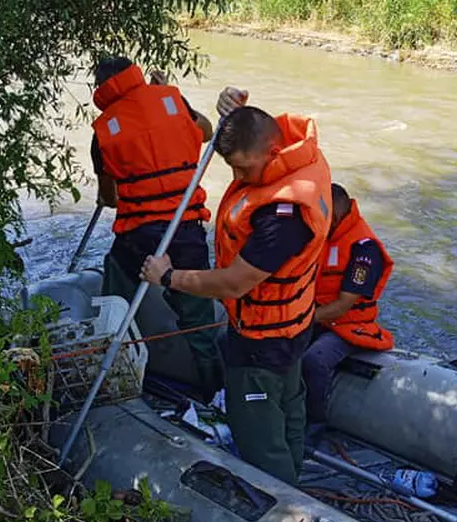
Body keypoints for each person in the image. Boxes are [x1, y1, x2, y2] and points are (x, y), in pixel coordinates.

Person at [141, 87, 332, 485]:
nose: (239, 179)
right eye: (234, 169)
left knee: (260, 436)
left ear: (274, 152)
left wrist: (168, 276)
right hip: (294, 329)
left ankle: (282, 502)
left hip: (262, 341)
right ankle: (294, 477)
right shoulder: (301, 159)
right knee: (289, 410)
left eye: (245, 170)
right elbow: (255, 130)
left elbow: (234, 283)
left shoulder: (283, 217)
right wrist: (233, 111)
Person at [89, 56, 221, 401]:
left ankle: (112, 367)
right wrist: (169, 97)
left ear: (100, 88)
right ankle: (214, 390)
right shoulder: (172, 99)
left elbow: (111, 199)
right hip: (187, 225)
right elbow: (207, 132)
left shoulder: (103, 130)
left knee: (115, 287)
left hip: (139, 234)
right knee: (197, 314)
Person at [302, 183, 394, 428]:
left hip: (348, 326)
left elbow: (343, 306)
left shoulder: (364, 250)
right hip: (317, 318)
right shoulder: (322, 236)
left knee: (314, 360)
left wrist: (300, 319)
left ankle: (315, 421)